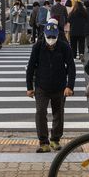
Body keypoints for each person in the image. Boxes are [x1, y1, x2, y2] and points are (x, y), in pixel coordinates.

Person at [26, 21, 75, 153]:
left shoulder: (64, 47)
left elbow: (71, 67)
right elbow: (30, 67)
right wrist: (29, 87)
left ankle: (55, 139)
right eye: (49, 37)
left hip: (60, 86)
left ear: (57, 36)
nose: (51, 40)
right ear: (45, 35)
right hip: (42, 86)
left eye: (54, 37)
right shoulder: (37, 47)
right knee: (41, 112)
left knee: (58, 114)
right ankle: (43, 142)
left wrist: (69, 86)